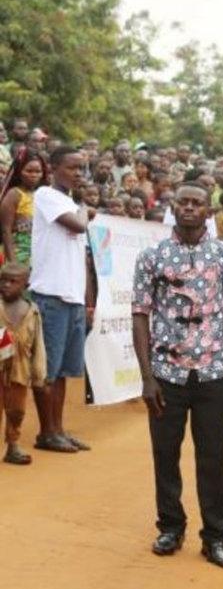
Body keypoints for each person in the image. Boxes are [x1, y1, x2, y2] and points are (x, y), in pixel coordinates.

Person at [132, 181, 223, 567]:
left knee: (214, 456)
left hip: (214, 372)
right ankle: (170, 526)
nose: (188, 208)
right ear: (172, 206)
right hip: (166, 373)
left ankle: (215, 536)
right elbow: (140, 315)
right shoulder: (152, 256)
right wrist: (147, 376)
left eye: (196, 203)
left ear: (208, 212)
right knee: (165, 453)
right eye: (182, 202)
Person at [29, 148, 93, 454]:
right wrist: (86, 210)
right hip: (51, 294)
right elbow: (79, 224)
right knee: (47, 369)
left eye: (82, 168)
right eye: (72, 167)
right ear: (53, 168)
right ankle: (46, 432)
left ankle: (58, 429)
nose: (79, 173)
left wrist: (86, 300)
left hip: (72, 296)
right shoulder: (46, 195)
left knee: (65, 370)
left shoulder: (72, 203)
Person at [0, 262, 47, 465]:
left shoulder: (32, 312)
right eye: (3, 280)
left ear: (26, 285)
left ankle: (13, 445)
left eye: (13, 281)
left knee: (17, 411)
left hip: (20, 371)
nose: (6, 285)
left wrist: (39, 374)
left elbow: (38, 345)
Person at [0, 153, 45, 265]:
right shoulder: (14, 194)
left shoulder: (42, 194)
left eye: (38, 172)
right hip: (18, 249)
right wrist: (12, 261)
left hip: (38, 249)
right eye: (29, 171)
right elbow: (6, 230)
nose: (34, 175)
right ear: (20, 172)